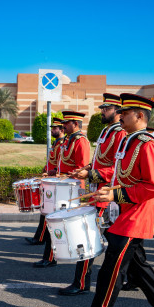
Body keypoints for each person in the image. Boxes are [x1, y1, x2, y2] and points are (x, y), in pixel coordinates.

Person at [63, 94, 154, 307]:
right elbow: (121, 174)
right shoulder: (130, 141)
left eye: (125, 113)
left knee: (110, 274)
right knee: (139, 268)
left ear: (139, 116)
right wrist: (104, 187)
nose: (120, 115)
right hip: (125, 213)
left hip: (135, 217)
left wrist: (117, 193)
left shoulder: (146, 144)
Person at [62, 93, 124, 295]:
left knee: (88, 237)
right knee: (121, 244)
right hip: (97, 192)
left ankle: (81, 283)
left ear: (117, 110)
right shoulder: (108, 132)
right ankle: (134, 277)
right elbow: (101, 160)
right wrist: (88, 168)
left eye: (106, 109)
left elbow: (118, 168)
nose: (102, 112)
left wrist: (91, 173)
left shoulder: (119, 134)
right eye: (102, 108)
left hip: (106, 196)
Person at [35, 110, 89, 268]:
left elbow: (82, 168)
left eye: (67, 123)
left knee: (61, 223)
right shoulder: (67, 140)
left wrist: (64, 177)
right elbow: (62, 162)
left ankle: (55, 257)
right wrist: (53, 173)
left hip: (71, 188)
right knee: (55, 222)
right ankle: (52, 256)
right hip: (63, 185)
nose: (63, 125)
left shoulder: (80, 141)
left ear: (76, 124)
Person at [25, 117, 66, 246]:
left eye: (55, 128)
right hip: (49, 179)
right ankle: (40, 237)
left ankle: (41, 238)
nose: (52, 131)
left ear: (61, 129)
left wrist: (52, 172)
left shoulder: (61, 144)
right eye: (52, 128)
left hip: (55, 181)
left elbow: (60, 164)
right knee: (44, 210)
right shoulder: (56, 143)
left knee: (47, 211)